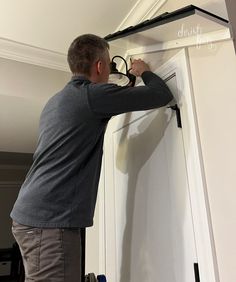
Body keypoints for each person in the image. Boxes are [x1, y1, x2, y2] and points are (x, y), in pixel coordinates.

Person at [10, 34, 173, 282]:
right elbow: (161, 94)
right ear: (99, 66)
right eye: (108, 64)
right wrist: (143, 72)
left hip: (35, 216)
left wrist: (121, 91)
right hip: (49, 221)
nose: (108, 70)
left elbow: (104, 106)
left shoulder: (56, 102)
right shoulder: (92, 97)